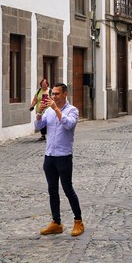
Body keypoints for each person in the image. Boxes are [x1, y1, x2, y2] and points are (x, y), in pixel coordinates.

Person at [34, 83, 84, 237]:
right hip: (50, 156)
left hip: (64, 156)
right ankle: (56, 223)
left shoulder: (72, 110)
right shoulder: (49, 111)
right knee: (52, 190)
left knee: (68, 189)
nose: (53, 96)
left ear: (65, 94)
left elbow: (68, 124)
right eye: (52, 94)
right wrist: (39, 112)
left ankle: (78, 221)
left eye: (56, 94)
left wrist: (56, 109)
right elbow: (38, 126)